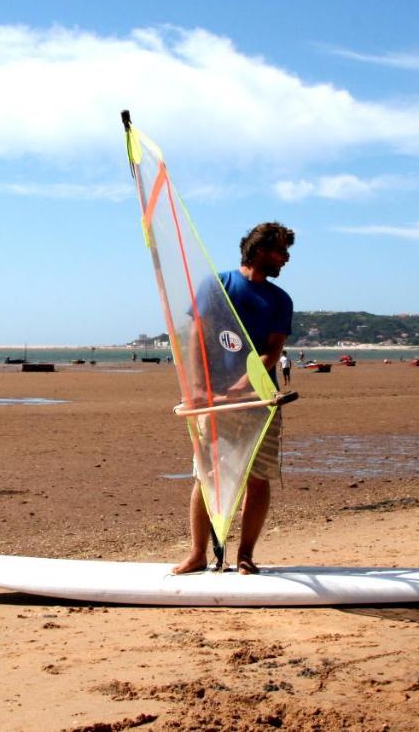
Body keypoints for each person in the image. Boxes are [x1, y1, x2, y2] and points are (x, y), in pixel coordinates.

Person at [173, 221, 295, 576]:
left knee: (258, 478)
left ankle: (245, 555)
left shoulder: (279, 299)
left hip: (259, 402)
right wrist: (198, 388)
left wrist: (243, 385)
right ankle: (197, 553)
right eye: (281, 251)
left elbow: (272, 352)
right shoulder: (217, 285)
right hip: (212, 401)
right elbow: (196, 335)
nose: (285, 259)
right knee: (207, 477)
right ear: (260, 251)